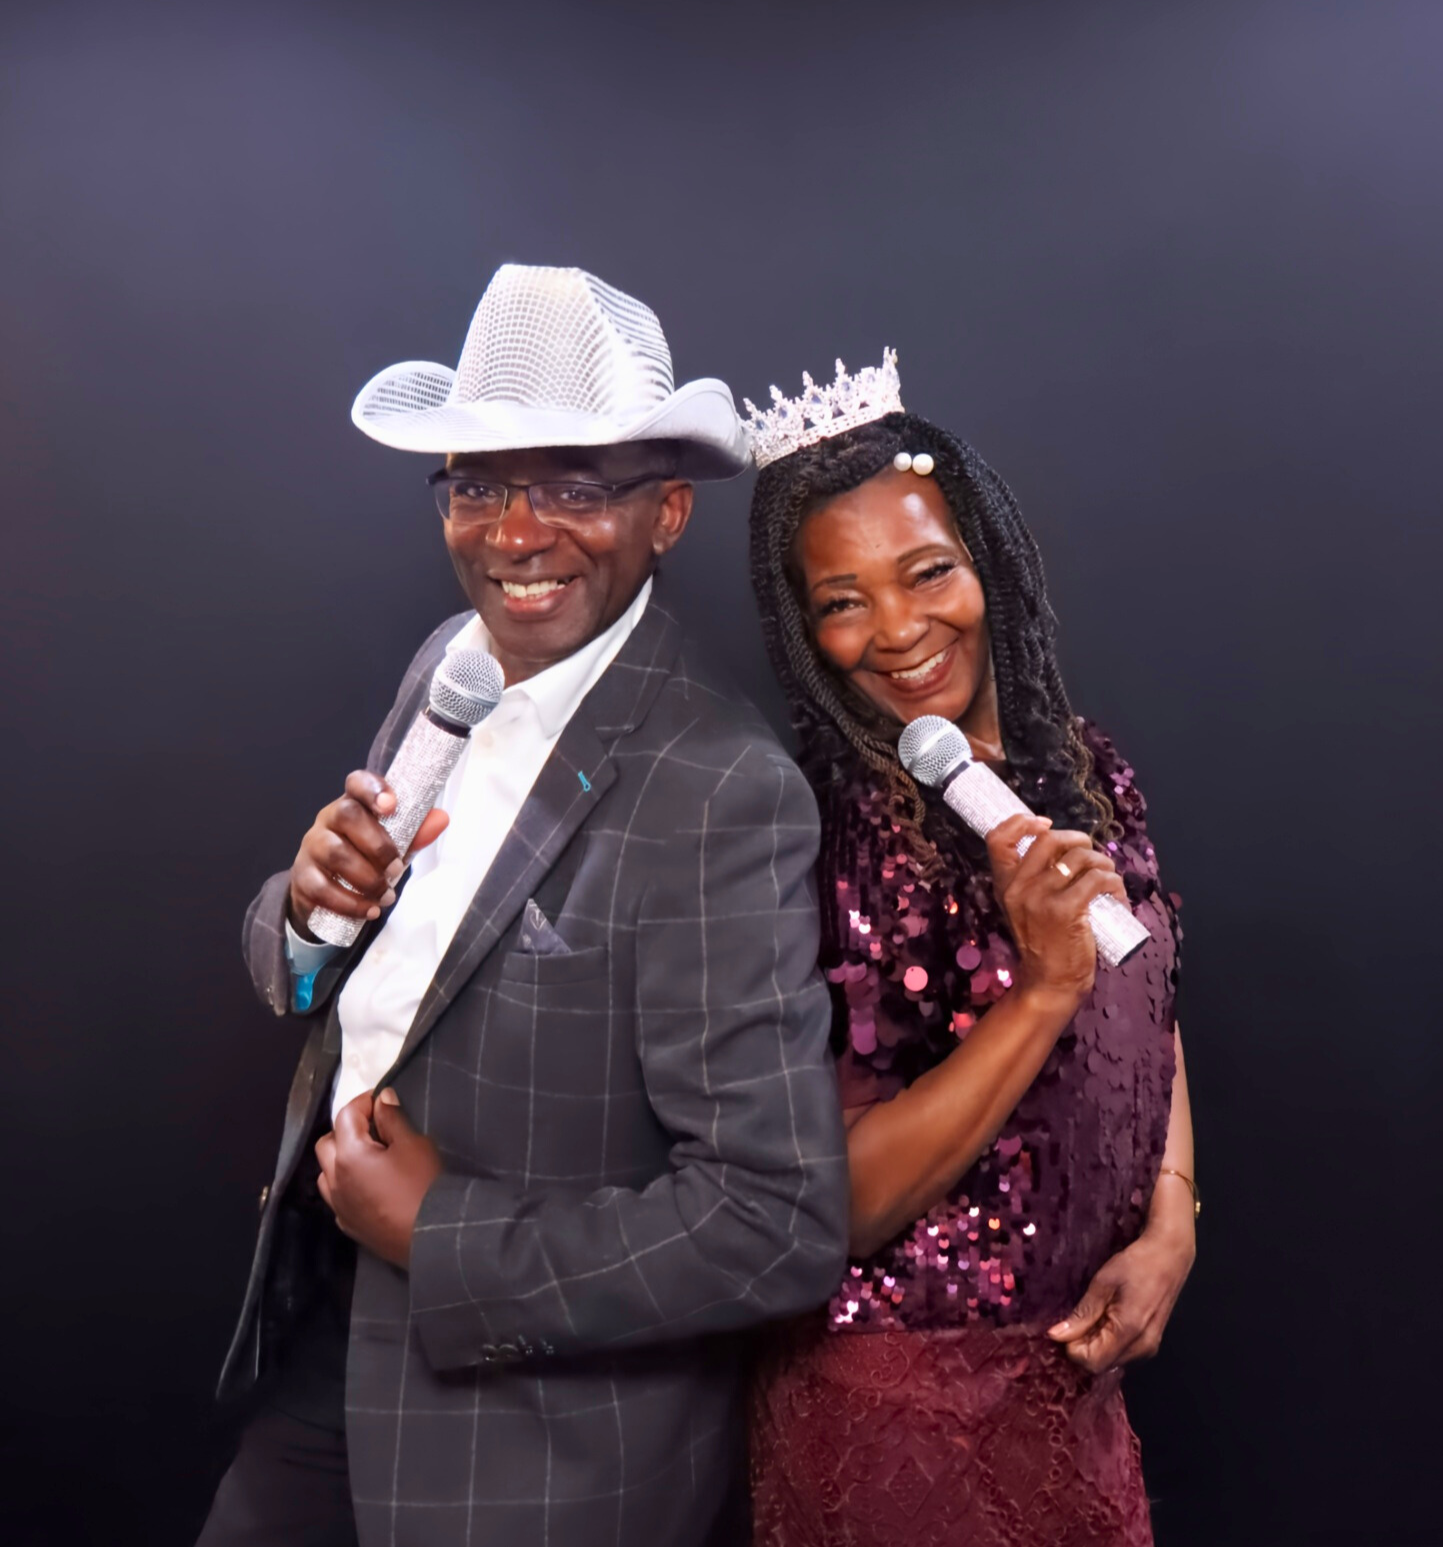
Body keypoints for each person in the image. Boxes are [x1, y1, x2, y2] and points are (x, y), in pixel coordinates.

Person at [199, 265, 849, 1547]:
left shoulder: (718, 788)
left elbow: (777, 1223)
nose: (512, 533)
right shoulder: (445, 661)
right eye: (482, 481)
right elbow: (320, 983)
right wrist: (312, 918)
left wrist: (444, 1233)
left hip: (525, 1443)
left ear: (666, 512)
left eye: (571, 486)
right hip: (326, 1347)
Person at [742, 352, 1196, 1545]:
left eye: (927, 571)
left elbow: (1150, 1000)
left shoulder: (1089, 770)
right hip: (899, 1413)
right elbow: (833, 1204)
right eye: (843, 601)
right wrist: (1042, 987)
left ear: (986, 561)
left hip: (1071, 1391)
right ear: (807, 630)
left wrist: (1173, 1215)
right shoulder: (824, 841)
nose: (896, 628)